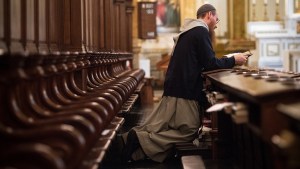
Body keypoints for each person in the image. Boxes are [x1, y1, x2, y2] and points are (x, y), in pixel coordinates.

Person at [121, 3, 248, 163]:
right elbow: (210, 63)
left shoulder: (189, 30)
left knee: (165, 126)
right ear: (209, 15)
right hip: (185, 89)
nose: (216, 23)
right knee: (189, 130)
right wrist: (233, 60)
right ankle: (139, 139)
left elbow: (200, 60)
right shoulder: (200, 31)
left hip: (176, 86)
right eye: (217, 18)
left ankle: (135, 150)